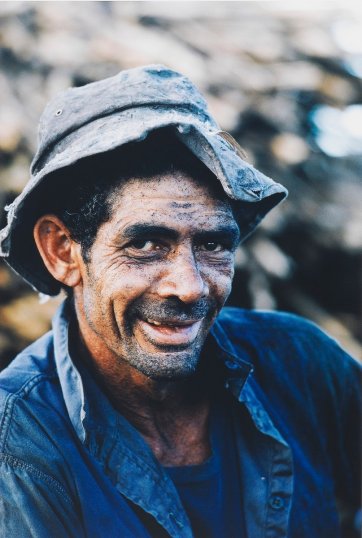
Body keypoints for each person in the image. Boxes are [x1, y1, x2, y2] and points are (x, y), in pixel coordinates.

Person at [0, 64, 360, 538]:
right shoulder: (19, 443)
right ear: (63, 250)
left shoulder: (300, 362)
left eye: (213, 244)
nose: (189, 287)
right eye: (146, 244)